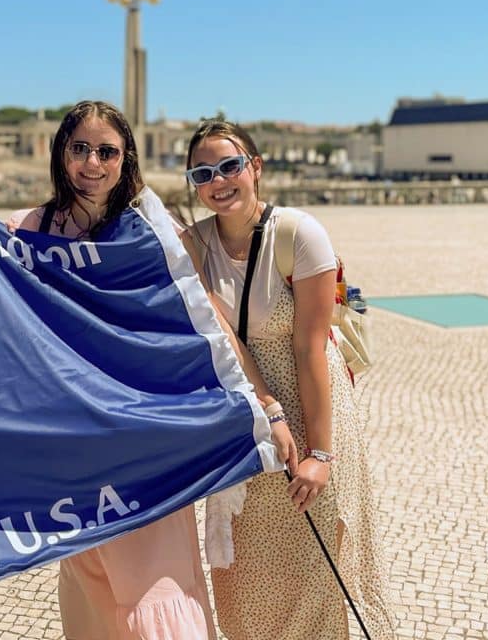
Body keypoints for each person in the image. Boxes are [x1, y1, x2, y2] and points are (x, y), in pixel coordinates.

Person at [9, 101, 295, 640]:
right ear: (61, 152)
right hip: (77, 448)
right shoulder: (35, 228)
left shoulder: (151, 228)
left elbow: (206, 319)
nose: (93, 163)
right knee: (91, 586)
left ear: (126, 159)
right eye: (80, 149)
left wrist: (267, 406)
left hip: (147, 441)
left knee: (156, 590)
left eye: (107, 152)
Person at [183, 119, 396, 640]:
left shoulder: (298, 233)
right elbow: (215, 335)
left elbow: (310, 348)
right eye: (203, 172)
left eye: (230, 166)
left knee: (313, 566)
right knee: (244, 570)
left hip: (313, 405)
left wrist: (320, 454)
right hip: (248, 414)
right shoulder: (192, 243)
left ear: (256, 168)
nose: (219, 180)